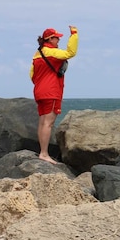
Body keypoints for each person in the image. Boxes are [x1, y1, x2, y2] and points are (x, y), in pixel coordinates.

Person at [31, 26, 79, 163]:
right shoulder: (52, 52)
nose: (58, 40)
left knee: (42, 122)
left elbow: (32, 74)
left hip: (39, 91)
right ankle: (44, 154)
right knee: (49, 123)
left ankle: (42, 151)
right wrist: (74, 34)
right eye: (56, 38)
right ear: (50, 39)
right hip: (51, 91)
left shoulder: (37, 54)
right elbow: (70, 52)